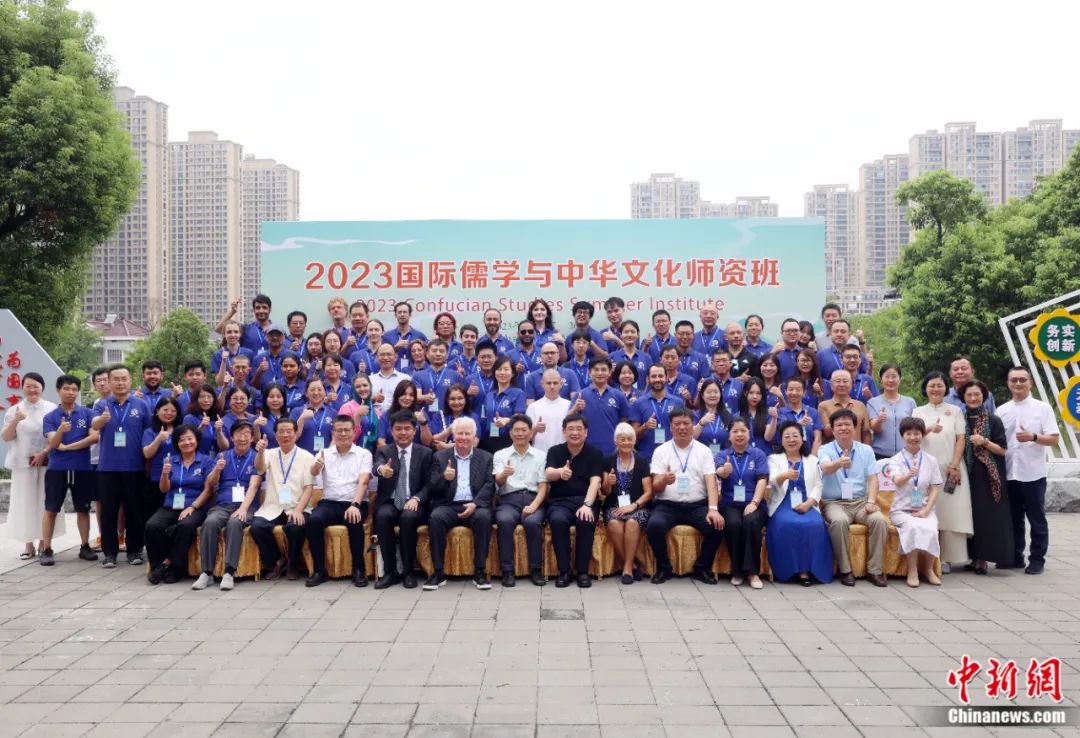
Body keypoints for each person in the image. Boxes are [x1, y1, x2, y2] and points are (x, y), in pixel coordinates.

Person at [646, 407, 724, 585]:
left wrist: (713, 509)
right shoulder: (661, 451)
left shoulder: (703, 451)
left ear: (692, 425)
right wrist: (664, 480)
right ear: (670, 427)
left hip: (697, 505)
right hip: (667, 505)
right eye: (677, 424)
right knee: (654, 526)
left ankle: (701, 569)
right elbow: (655, 487)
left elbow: (711, 482)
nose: (682, 427)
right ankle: (664, 569)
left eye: (686, 423)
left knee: (717, 526)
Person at [997, 366, 1059, 575]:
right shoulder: (1002, 410)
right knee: (1014, 519)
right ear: (1008, 383)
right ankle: (1015, 557)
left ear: (1030, 383)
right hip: (1009, 473)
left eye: (1022, 380)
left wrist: (1033, 437)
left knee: (1037, 520)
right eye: (1014, 380)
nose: (1018, 383)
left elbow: (1054, 438)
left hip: (1033, 474)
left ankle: (1037, 559)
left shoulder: (1042, 408)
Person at [818, 408, 887, 587]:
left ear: (855, 428)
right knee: (839, 521)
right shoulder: (825, 449)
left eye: (847, 424)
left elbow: (873, 479)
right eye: (839, 425)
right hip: (834, 502)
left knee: (879, 520)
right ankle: (845, 569)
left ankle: (875, 570)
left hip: (860, 502)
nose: (843, 428)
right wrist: (838, 463)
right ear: (833, 430)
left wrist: (871, 501)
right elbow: (825, 468)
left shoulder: (866, 450)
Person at [192, 421, 264, 591]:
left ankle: (229, 572)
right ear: (232, 437)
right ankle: (206, 572)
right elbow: (210, 483)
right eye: (238, 434)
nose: (242, 438)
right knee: (210, 522)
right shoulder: (222, 456)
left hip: (247, 506)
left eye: (246, 434)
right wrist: (217, 470)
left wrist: (243, 508)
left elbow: (254, 485)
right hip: (223, 505)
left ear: (252, 438)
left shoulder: (257, 458)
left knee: (235, 522)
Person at [425, 417, 495, 590]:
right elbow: (432, 486)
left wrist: (475, 503)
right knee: (435, 518)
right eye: (459, 433)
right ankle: (438, 572)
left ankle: (479, 571)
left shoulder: (486, 457)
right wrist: (444, 478)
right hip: (448, 505)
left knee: (483, 517)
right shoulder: (440, 457)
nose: (463, 437)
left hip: (474, 505)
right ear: (453, 435)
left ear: (474, 436)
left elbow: (490, 484)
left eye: (467, 434)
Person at [91, 365, 151, 568]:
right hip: (108, 468)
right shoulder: (102, 404)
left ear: (130, 380)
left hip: (134, 467)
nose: (120, 382)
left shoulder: (141, 405)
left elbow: (148, 432)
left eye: (123, 378)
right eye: (115, 379)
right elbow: (94, 424)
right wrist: (102, 420)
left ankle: (135, 550)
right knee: (109, 512)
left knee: (134, 511)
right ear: (109, 382)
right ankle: (110, 553)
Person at [912, 371, 972, 573]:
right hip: (923, 470)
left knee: (949, 513)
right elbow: (912, 437)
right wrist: (928, 429)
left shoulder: (955, 411)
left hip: (950, 469)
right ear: (925, 388)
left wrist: (954, 465)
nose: (936, 389)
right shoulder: (917, 411)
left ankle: (946, 558)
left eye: (940, 385)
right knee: (923, 510)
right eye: (932, 385)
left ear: (946, 388)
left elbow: (961, 438)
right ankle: (924, 557)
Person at [305, 415, 373, 587]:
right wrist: (316, 466)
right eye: (339, 430)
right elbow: (313, 473)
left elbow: (364, 481)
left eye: (347, 430)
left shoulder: (363, 454)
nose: (343, 434)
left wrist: (355, 505)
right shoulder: (324, 454)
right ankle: (319, 570)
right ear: (333, 432)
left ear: (354, 432)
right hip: (330, 502)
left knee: (353, 519)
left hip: (355, 502)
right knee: (314, 520)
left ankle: (359, 570)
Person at [372, 411, 434, 589]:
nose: (403, 432)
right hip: (391, 501)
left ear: (414, 431)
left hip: (414, 501)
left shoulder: (425, 453)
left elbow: (430, 484)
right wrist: (382, 470)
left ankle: (408, 572)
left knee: (408, 517)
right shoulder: (384, 451)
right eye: (398, 429)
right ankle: (390, 572)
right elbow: (377, 466)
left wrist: (417, 498)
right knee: (382, 516)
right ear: (391, 431)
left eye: (407, 428)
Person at [40, 375, 98, 564]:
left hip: (83, 468)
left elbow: (94, 437)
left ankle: (85, 546)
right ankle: (46, 549)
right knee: (51, 509)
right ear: (58, 390)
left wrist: (69, 447)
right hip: (57, 469)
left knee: (83, 509)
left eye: (74, 389)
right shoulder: (50, 417)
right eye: (66, 389)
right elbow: (53, 443)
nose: (70, 392)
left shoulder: (87, 413)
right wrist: (60, 431)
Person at [766, 421, 832, 586]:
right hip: (783, 503)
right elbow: (772, 481)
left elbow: (818, 485)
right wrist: (784, 476)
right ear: (781, 441)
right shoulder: (774, 459)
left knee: (815, 525)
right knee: (787, 524)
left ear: (802, 439)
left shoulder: (812, 460)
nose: (791, 440)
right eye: (787, 436)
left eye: (795, 436)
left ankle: (809, 570)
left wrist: (809, 503)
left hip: (807, 502)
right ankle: (790, 570)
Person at [544, 413, 604, 588]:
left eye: (579, 429)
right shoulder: (555, 451)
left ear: (586, 432)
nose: (575, 433)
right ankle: (564, 571)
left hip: (585, 500)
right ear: (564, 432)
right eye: (571, 429)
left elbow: (595, 482)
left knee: (585, 520)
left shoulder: (595, 453)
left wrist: (587, 505)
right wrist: (560, 472)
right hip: (559, 501)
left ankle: (583, 572)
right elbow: (548, 473)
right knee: (558, 520)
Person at [145, 424, 211, 584]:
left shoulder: (206, 461)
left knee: (186, 526)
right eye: (182, 440)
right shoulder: (170, 460)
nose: (187, 442)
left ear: (197, 440)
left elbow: (208, 490)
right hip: (171, 505)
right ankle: (157, 566)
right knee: (152, 526)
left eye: (190, 438)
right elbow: (164, 489)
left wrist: (193, 506)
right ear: (176, 443)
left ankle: (172, 567)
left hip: (195, 506)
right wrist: (164, 474)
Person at [960, 380, 1014, 575]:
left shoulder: (993, 420)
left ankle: (983, 559)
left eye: (977, 394)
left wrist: (984, 441)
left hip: (987, 474)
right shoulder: (960, 418)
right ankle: (972, 557)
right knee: (969, 514)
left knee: (985, 515)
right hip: (966, 471)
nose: (973, 398)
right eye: (969, 395)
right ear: (963, 397)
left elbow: (1002, 450)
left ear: (984, 396)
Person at [251, 417, 315, 581]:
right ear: (276, 435)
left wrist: (299, 510)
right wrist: (260, 452)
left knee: (295, 527)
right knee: (257, 527)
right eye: (281, 432)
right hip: (274, 505)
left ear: (296, 433)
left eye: (289, 431)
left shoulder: (306, 456)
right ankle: (276, 562)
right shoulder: (270, 453)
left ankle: (293, 564)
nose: (285, 435)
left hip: (297, 505)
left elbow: (309, 487)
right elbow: (259, 468)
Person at [3, 373, 57, 560]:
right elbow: (6, 437)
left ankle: (44, 542)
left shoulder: (51, 408)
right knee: (24, 503)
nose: (32, 390)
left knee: (45, 502)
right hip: (22, 464)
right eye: (28, 386)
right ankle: (28, 544)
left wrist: (44, 452)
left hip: (46, 461)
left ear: (42, 388)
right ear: (22, 387)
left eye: (36, 386)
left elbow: (58, 435)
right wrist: (16, 420)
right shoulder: (15, 409)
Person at [887, 417, 943, 587]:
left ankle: (929, 570)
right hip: (901, 510)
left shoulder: (931, 460)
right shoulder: (895, 460)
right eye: (909, 434)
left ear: (922, 435)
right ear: (903, 436)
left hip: (924, 508)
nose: (913, 437)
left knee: (932, 528)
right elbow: (897, 481)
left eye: (917, 433)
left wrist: (926, 510)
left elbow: (935, 487)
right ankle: (912, 570)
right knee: (912, 527)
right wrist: (909, 475)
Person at [493, 414, 548, 586]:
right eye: (516, 430)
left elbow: (543, 487)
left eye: (524, 430)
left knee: (532, 522)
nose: (520, 433)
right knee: (504, 521)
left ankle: (536, 570)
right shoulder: (500, 455)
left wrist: (534, 505)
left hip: (533, 498)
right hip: (508, 500)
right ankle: (507, 571)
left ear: (531, 433)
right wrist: (504, 474)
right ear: (510, 433)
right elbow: (498, 483)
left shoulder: (541, 455)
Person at [714, 417, 769, 588]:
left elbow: (762, 480)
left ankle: (753, 573)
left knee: (751, 522)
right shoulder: (722, 455)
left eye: (743, 431)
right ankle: (737, 571)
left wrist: (754, 503)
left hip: (754, 502)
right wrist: (724, 471)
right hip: (729, 503)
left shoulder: (758, 454)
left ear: (749, 434)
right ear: (729, 436)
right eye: (735, 431)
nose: (739, 434)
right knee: (733, 523)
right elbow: (719, 472)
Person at [600, 422, 653, 584]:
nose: (626, 442)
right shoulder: (608, 461)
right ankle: (632, 565)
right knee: (614, 523)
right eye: (622, 439)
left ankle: (628, 568)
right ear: (615, 441)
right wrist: (608, 483)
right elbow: (605, 492)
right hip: (614, 506)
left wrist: (634, 506)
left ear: (635, 441)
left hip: (637, 506)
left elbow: (648, 492)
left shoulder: (641, 462)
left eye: (630, 439)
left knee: (632, 522)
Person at [576, 358, 631, 456]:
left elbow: (626, 421)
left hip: (612, 451)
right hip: (586, 451)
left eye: (603, 370)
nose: (600, 373)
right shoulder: (581, 395)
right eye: (596, 370)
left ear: (609, 372)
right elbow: (568, 419)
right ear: (590, 372)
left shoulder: (618, 395)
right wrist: (575, 408)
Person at [631, 364, 686, 461]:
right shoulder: (639, 403)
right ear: (648, 379)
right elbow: (633, 435)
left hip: (673, 458)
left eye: (660, 376)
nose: (657, 379)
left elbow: (685, 431)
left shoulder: (678, 402)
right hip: (647, 459)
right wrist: (645, 426)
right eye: (653, 376)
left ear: (666, 378)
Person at [141, 397, 182, 519]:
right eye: (165, 410)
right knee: (156, 516)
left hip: (178, 478)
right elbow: (147, 454)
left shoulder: (181, 430)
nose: (169, 413)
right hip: (157, 479)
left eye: (173, 411)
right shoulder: (150, 431)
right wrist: (158, 438)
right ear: (157, 411)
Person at [866, 364, 917, 460]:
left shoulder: (910, 402)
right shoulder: (872, 402)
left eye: (894, 376)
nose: (890, 380)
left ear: (900, 379)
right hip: (880, 455)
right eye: (887, 377)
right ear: (881, 380)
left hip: (905, 454)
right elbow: (874, 428)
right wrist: (879, 420)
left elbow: (915, 428)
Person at [480, 356, 526, 453]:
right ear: (494, 372)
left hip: (508, 440)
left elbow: (520, 418)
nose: (502, 372)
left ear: (512, 373)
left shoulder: (518, 393)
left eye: (506, 369)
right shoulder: (489, 395)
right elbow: (483, 416)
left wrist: (507, 420)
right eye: (499, 369)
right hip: (487, 440)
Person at [769, 378, 822, 456]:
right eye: (791, 389)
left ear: (804, 392)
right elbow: (780, 434)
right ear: (785, 392)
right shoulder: (779, 413)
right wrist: (798, 424)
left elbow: (818, 439)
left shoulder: (813, 412)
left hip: (809, 456)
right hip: (785, 457)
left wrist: (812, 459)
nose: (794, 393)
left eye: (798, 390)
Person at [818, 369, 871, 443]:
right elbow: (826, 433)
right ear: (831, 385)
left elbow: (866, 432)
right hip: (833, 449)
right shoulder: (823, 406)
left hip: (857, 449)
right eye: (838, 381)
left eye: (845, 381)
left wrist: (867, 449)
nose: (842, 384)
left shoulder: (860, 405)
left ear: (851, 385)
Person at [526, 369, 571, 453]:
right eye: (548, 383)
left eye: (555, 383)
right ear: (542, 384)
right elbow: (525, 438)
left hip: (563, 455)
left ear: (561, 384)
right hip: (539, 455)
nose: (552, 386)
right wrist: (535, 429)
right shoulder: (533, 407)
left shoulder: (569, 406)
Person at [414, 340, 459, 415]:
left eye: (441, 351)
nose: (438, 354)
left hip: (448, 418)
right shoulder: (418, 375)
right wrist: (425, 397)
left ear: (447, 355)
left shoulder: (455, 375)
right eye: (434, 351)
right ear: (427, 354)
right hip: (424, 418)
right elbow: (416, 397)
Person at [339, 374, 381, 452]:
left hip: (374, 455)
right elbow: (344, 438)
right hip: (352, 455)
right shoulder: (346, 408)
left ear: (370, 387)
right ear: (353, 389)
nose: (362, 389)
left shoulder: (377, 412)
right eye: (358, 387)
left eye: (365, 385)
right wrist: (357, 415)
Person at [292, 378, 335, 454]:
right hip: (302, 458)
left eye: (319, 389)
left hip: (325, 458)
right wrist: (301, 419)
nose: (316, 392)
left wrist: (327, 456)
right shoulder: (297, 412)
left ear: (325, 392)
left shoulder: (333, 413)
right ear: (306, 393)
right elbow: (291, 439)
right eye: (312, 390)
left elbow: (335, 438)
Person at [252, 324, 299, 391]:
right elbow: (253, 386)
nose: (275, 337)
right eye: (271, 335)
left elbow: (300, 380)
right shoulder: (258, 359)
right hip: (265, 395)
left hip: (288, 394)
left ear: (284, 338)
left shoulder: (293, 356)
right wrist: (259, 372)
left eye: (278, 335)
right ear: (266, 337)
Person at [609, 320, 652, 389]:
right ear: (620, 335)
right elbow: (607, 382)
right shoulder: (612, 357)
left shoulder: (646, 357)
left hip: (640, 395)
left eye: (632, 332)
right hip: (618, 395)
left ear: (638, 334)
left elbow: (651, 380)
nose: (629, 335)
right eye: (626, 332)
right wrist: (610, 372)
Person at [693, 379, 732, 456]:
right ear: (702, 395)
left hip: (723, 459)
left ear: (720, 395)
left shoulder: (728, 416)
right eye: (709, 392)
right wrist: (701, 423)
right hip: (701, 458)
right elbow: (690, 439)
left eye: (716, 392)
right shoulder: (695, 415)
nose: (712, 395)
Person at [370, 343, 410, 414]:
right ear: (377, 358)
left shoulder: (405, 379)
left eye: (389, 354)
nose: (385, 358)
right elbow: (362, 404)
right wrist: (373, 399)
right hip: (375, 419)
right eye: (382, 355)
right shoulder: (369, 380)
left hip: (398, 418)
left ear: (395, 357)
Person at [739, 378, 776, 456]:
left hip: (764, 456)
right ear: (745, 393)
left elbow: (768, 437)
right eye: (751, 393)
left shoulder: (768, 414)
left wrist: (774, 418)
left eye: (758, 393)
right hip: (745, 457)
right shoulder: (738, 415)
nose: (755, 396)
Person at [385, 301, 428, 367]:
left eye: (405, 312)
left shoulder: (420, 336)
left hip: (414, 371)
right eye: (399, 312)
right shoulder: (387, 336)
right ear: (395, 315)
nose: (402, 314)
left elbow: (427, 356)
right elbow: (382, 356)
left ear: (410, 314)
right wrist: (395, 348)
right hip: (393, 371)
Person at [212, 320, 255, 386]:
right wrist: (224, 361)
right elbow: (219, 382)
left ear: (240, 334)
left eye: (236, 332)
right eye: (229, 332)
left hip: (244, 391)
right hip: (227, 390)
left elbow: (252, 378)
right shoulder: (217, 355)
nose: (232, 335)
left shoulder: (249, 353)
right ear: (224, 334)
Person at [703, 351, 743, 416]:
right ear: (712, 364)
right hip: (711, 420)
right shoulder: (704, 382)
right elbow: (696, 406)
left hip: (733, 421)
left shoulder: (739, 385)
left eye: (724, 360)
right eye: (717, 361)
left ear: (730, 363)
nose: (721, 364)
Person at [183, 386, 220, 454]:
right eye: (202, 397)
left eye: (209, 397)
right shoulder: (189, 418)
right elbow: (186, 441)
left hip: (216, 458)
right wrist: (201, 427)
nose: (206, 400)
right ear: (196, 399)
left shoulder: (216, 419)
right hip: (198, 458)